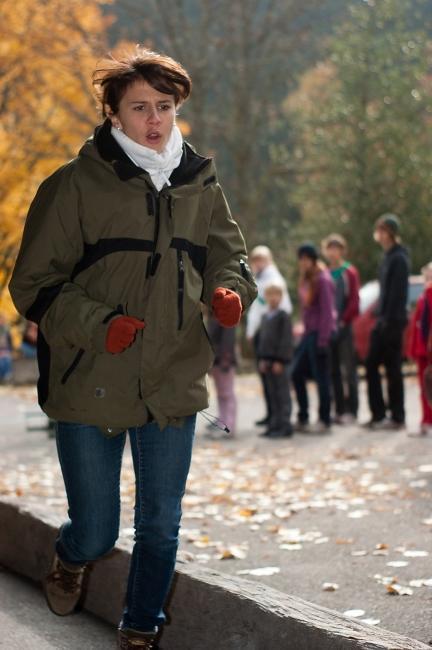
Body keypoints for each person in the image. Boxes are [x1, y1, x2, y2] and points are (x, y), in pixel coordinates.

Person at [9, 47, 257, 650]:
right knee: (97, 530)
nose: (154, 119)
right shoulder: (72, 185)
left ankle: (141, 626)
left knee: (160, 525)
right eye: (140, 107)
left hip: (172, 378)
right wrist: (100, 326)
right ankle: (73, 556)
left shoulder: (200, 182)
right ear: (113, 114)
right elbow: (32, 286)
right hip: (90, 377)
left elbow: (230, 255)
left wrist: (231, 290)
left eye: (164, 107)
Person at [364, 214, 410, 431]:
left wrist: (388, 320)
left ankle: (397, 415)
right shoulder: (387, 257)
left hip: (392, 322)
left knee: (393, 369)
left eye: (383, 230)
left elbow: (397, 295)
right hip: (382, 321)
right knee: (371, 365)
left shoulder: (399, 258)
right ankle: (378, 413)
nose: (379, 235)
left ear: (390, 233)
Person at [291, 243, 336, 434]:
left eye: (306, 259)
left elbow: (328, 311)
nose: (303, 263)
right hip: (308, 333)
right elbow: (306, 309)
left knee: (321, 378)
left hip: (320, 334)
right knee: (295, 373)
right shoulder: (307, 279)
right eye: (300, 259)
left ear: (312, 259)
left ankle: (325, 419)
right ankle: (303, 416)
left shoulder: (323, 279)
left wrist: (324, 340)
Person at [246, 245, 292, 427]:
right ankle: (272, 416)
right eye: (255, 260)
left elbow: (280, 309)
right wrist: (251, 331)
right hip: (262, 333)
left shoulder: (273, 279)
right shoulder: (260, 278)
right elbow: (256, 310)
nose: (257, 263)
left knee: (277, 383)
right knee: (267, 381)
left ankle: (280, 419)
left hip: (272, 337)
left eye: (260, 260)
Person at [322, 234, 360, 423]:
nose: (333, 252)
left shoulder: (349, 272)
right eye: (330, 248)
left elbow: (354, 300)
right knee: (334, 370)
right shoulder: (326, 273)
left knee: (349, 369)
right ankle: (340, 410)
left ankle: (353, 410)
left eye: (336, 248)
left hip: (344, 326)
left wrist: (344, 320)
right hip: (330, 329)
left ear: (341, 250)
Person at [257, 282, 293, 438]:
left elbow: (286, 340)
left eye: (276, 295)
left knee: (282, 394)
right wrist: (262, 359)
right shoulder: (265, 316)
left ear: (281, 297)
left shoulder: (283, 316)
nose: (273, 298)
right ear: (265, 297)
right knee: (271, 394)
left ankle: (285, 425)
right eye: (270, 295)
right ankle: (274, 424)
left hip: (279, 362)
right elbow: (262, 341)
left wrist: (281, 360)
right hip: (267, 361)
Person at [408, 262, 432, 436]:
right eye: (426, 277)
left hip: (429, 349)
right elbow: (417, 326)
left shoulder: (430, 295)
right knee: (424, 388)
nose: (428, 280)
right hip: (422, 349)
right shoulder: (424, 296)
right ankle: (425, 420)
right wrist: (413, 348)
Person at [207, 315, 237, 439]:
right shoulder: (211, 316)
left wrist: (226, 359)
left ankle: (230, 425)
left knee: (227, 394)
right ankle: (222, 422)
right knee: (220, 394)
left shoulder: (226, 314)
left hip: (225, 361)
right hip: (216, 360)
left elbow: (228, 339)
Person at [0, 314, 13, 383]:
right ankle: (1, 377)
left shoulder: (6, 330)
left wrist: (10, 349)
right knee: (1, 362)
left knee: (7, 360)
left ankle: (7, 376)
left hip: (5, 350)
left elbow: (9, 341)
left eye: (2, 320)